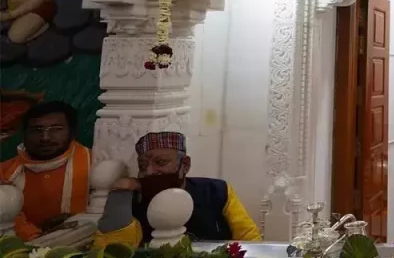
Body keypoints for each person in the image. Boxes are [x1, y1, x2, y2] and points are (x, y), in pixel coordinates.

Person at [93, 132, 261, 248]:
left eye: (161, 162)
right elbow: (111, 250)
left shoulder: (216, 191)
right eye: (143, 166)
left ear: (185, 165)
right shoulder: (133, 202)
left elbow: (250, 240)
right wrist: (120, 194)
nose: (150, 171)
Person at [0, 101, 91, 241]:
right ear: (24, 134)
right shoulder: (4, 171)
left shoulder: (95, 164)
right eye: (37, 130)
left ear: (72, 133)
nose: (45, 138)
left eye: (56, 129)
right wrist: (39, 233)